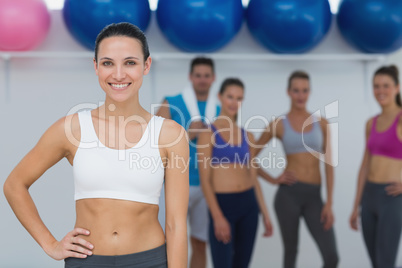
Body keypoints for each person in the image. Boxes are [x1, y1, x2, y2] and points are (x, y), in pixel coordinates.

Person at [3, 22, 189, 268]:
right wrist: (50, 244)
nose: (119, 74)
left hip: (149, 261)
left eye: (130, 62)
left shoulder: (170, 134)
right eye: (108, 63)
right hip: (86, 262)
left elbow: (176, 224)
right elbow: (14, 185)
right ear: (96, 67)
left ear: (146, 65)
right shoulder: (71, 129)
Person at [254, 71, 339, 268]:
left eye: (305, 90)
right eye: (296, 91)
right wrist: (273, 179)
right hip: (288, 196)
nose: (301, 95)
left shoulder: (322, 124)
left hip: (314, 197)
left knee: (331, 256)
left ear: (309, 92)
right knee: (291, 252)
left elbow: (329, 166)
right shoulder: (278, 124)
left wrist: (329, 202)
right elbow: (248, 157)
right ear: (288, 92)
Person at [197, 78, 273, 268]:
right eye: (230, 96)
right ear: (220, 97)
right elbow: (205, 181)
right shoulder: (208, 134)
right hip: (223, 205)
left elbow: (253, 178)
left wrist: (265, 213)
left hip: (248, 205)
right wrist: (217, 216)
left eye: (239, 98)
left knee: (242, 264)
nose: (233, 102)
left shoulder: (248, 135)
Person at [156, 57, 220, 268]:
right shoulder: (171, 102)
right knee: (168, 242)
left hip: (206, 186)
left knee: (200, 243)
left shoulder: (220, 109)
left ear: (213, 78)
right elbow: (152, 141)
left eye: (206, 76)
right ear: (190, 77)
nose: (202, 80)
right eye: (198, 75)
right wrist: (186, 134)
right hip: (175, 184)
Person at [350, 65, 402, 268]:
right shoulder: (371, 123)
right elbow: (364, 166)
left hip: (391, 197)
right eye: (376, 86)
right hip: (369, 197)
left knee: (385, 262)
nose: (381, 91)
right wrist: (356, 206)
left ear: (397, 88)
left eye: (386, 86)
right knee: (375, 262)